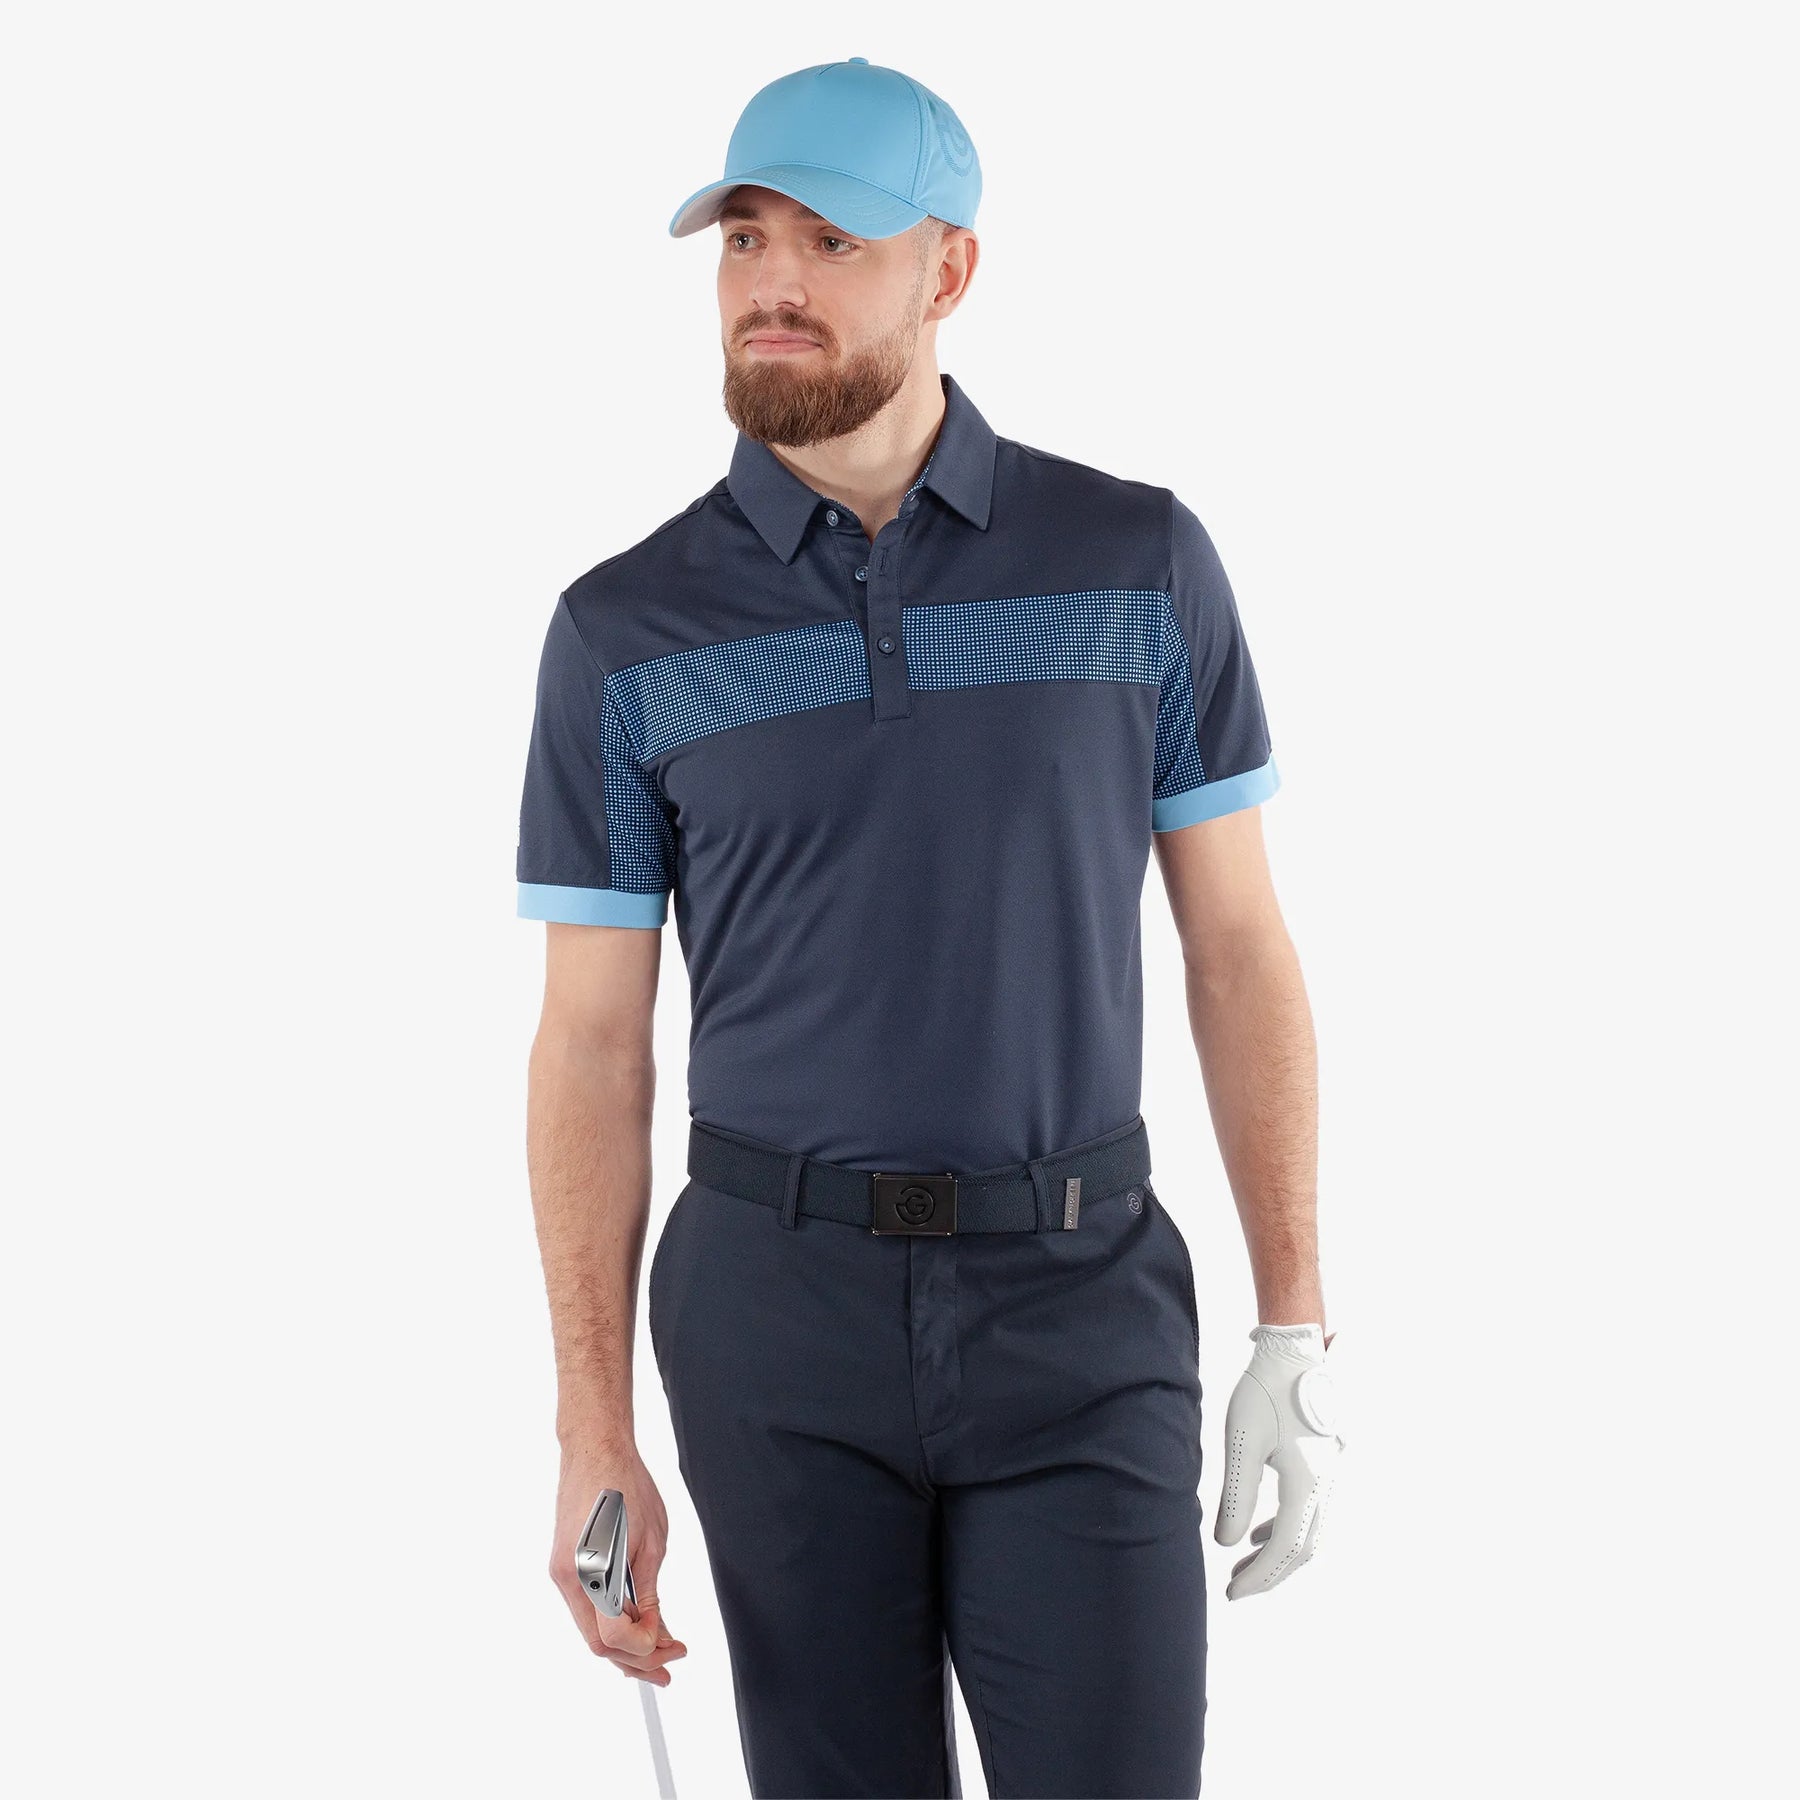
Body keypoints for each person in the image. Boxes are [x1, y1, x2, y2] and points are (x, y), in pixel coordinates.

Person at [516, 56, 1344, 1800]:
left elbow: (1239, 951)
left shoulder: (1135, 565)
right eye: (745, 239)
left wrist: (1294, 1322)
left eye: (831, 241)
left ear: (948, 271)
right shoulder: (625, 630)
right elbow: (590, 1042)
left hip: (1080, 1302)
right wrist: (593, 1420)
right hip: (771, 1318)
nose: (773, 284)